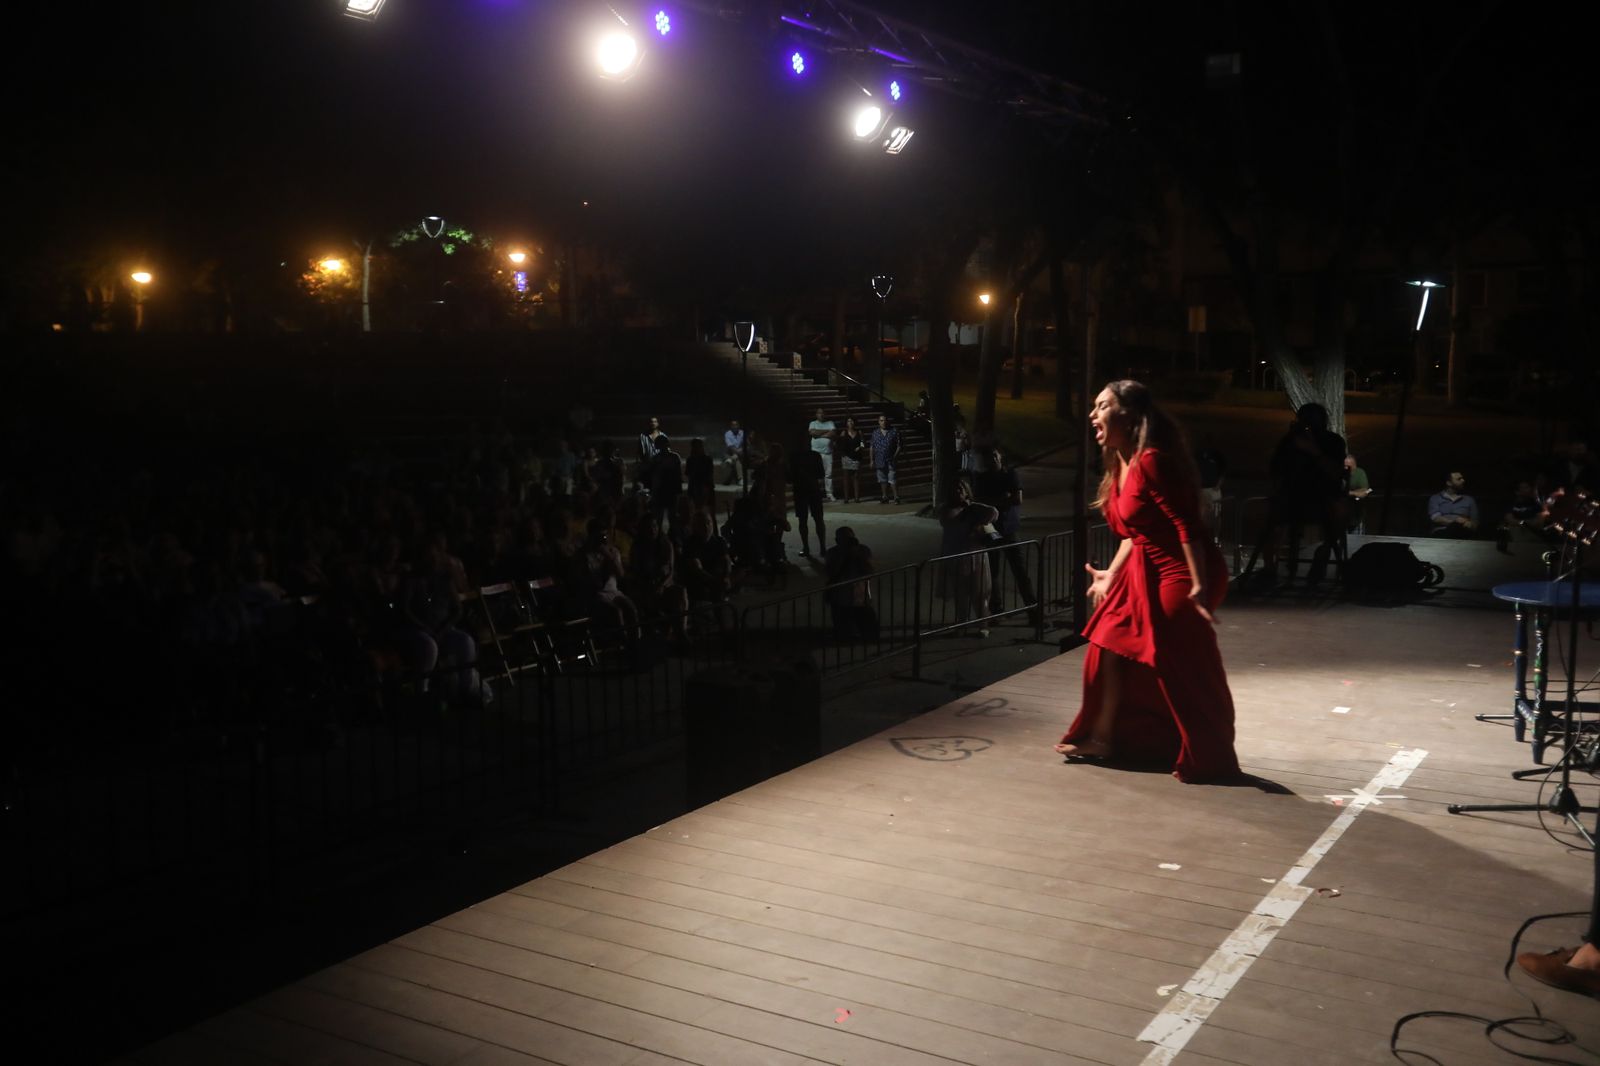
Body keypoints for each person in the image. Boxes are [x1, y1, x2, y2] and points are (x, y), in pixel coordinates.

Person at [1054, 379, 1240, 784]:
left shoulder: (1153, 460)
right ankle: (1103, 738)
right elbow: (1135, 534)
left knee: (1180, 662)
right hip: (1144, 569)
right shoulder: (1120, 462)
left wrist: (1198, 583)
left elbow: (1186, 523)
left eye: (1102, 406)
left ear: (1129, 414)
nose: (1092, 415)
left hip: (1181, 570)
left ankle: (1211, 756)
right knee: (1107, 646)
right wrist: (1113, 572)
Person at [974, 447, 1039, 620]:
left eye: (995, 455)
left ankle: (1032, 607)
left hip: (1009, 528)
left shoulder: (1010, 474)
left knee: (1020, 570)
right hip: (991, 529)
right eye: (989, 455)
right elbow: (980, 501)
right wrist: (1004, 499)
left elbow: (1017, 499)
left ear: (1000, 457)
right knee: (993, 572)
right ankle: (997, 609)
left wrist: (995, 502)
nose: (993, 458)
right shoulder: (982, 478)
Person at [938, 478, 998, 637]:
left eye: (961, 488)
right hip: (956, 557)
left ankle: (983, 625)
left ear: (966, 491)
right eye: (954, 488)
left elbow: (993, 513)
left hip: (977, 556)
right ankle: (962, 623)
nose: (957, 491)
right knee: (961, 594)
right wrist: (966, 509)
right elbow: (948, 520)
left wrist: (972, 506)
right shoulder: (945, 509)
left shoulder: (973, 509)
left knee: (980, 593)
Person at [824, 526, 877, 640]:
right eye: (843, 539)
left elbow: (869, 570)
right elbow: (831, 573)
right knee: (843, 628)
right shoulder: (833, 552)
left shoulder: (863, 550)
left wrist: (857, 556)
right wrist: (845, 558)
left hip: (860, 595)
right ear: (837, 541)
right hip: (840, 596)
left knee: (869, 629)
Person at [790, 442, 827, 558]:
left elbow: (791, 476)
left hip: (803, 490)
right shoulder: (814, 455)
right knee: (816, 519)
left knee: (805, 520)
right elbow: (821, 474)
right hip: (811, 489)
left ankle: (808, 547)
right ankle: (821, 547)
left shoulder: (795, 456)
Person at [1427, 471, 1479, 537]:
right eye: (1459, 479)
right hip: (1442, 532)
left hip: (1463, 532)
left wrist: (1470, 524)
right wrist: (1455, 522)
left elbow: (1475, 522)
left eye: (1462, 478)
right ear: (1449, 483)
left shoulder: (1469, 500)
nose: (1463, 480)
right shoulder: (1435, 498)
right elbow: (1436, 518)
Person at [870, 414, 901, 505]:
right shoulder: (875, 433)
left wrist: (895, 457)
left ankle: (896, 497)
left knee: (893, 478)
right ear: (879, 422)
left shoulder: (894, 431)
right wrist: (871, 460)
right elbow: (872, 447)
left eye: (885, 420)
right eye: (881, 420)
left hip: (891, 459)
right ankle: (885, 496)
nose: (884, 422)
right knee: (882, 479)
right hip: (879, 460)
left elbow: (899, 446)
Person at [808, 407, 837, 501]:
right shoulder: (813, 423)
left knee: (828, 474)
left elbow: (832, 434)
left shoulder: (830, 423)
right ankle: (816, 493)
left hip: (828, 452)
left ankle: (829, 493)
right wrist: (826, 432)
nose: (821, 414)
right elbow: (813, 433)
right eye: (819, 413)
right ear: (816, 414)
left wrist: (819, 434)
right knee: (815, 474)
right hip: (816, 453)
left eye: (823, 413)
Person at [835, 416, 866, 503]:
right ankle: (846, 498)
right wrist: (842, 453)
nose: (850, 423)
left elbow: (863, 443)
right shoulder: (844, 432)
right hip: (846, 457)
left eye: (852, 421)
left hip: (856, 456)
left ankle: (857, 497)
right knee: (846, 477)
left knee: (856, 477)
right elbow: (838, 443)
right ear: (846, 423)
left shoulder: (859, 432)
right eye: (848, 421)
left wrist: (860, 447)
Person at [684, 438, 714, 510]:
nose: (697, 448)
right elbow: (688, 474)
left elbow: (710, 474)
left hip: (705, 486)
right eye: (696, 446)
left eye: (699, 446)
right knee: (696, 509)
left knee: (707, 509)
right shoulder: (690, 459)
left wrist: (706, 487)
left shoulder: (707, 459)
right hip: (694, 486)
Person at [722, 419, 746, 487]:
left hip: (740, 452)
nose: (734, 426)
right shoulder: (728, 433)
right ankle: (740, 479)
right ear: (731, 426)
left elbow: (744, 444)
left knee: (737, 457)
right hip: (730, 452)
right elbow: (730, 446)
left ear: (738, 426)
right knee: (737, 460)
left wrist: (739, 451)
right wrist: (737, 453)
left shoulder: (742, 433)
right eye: (733, 425)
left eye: (736, 425)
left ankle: (731, 459)